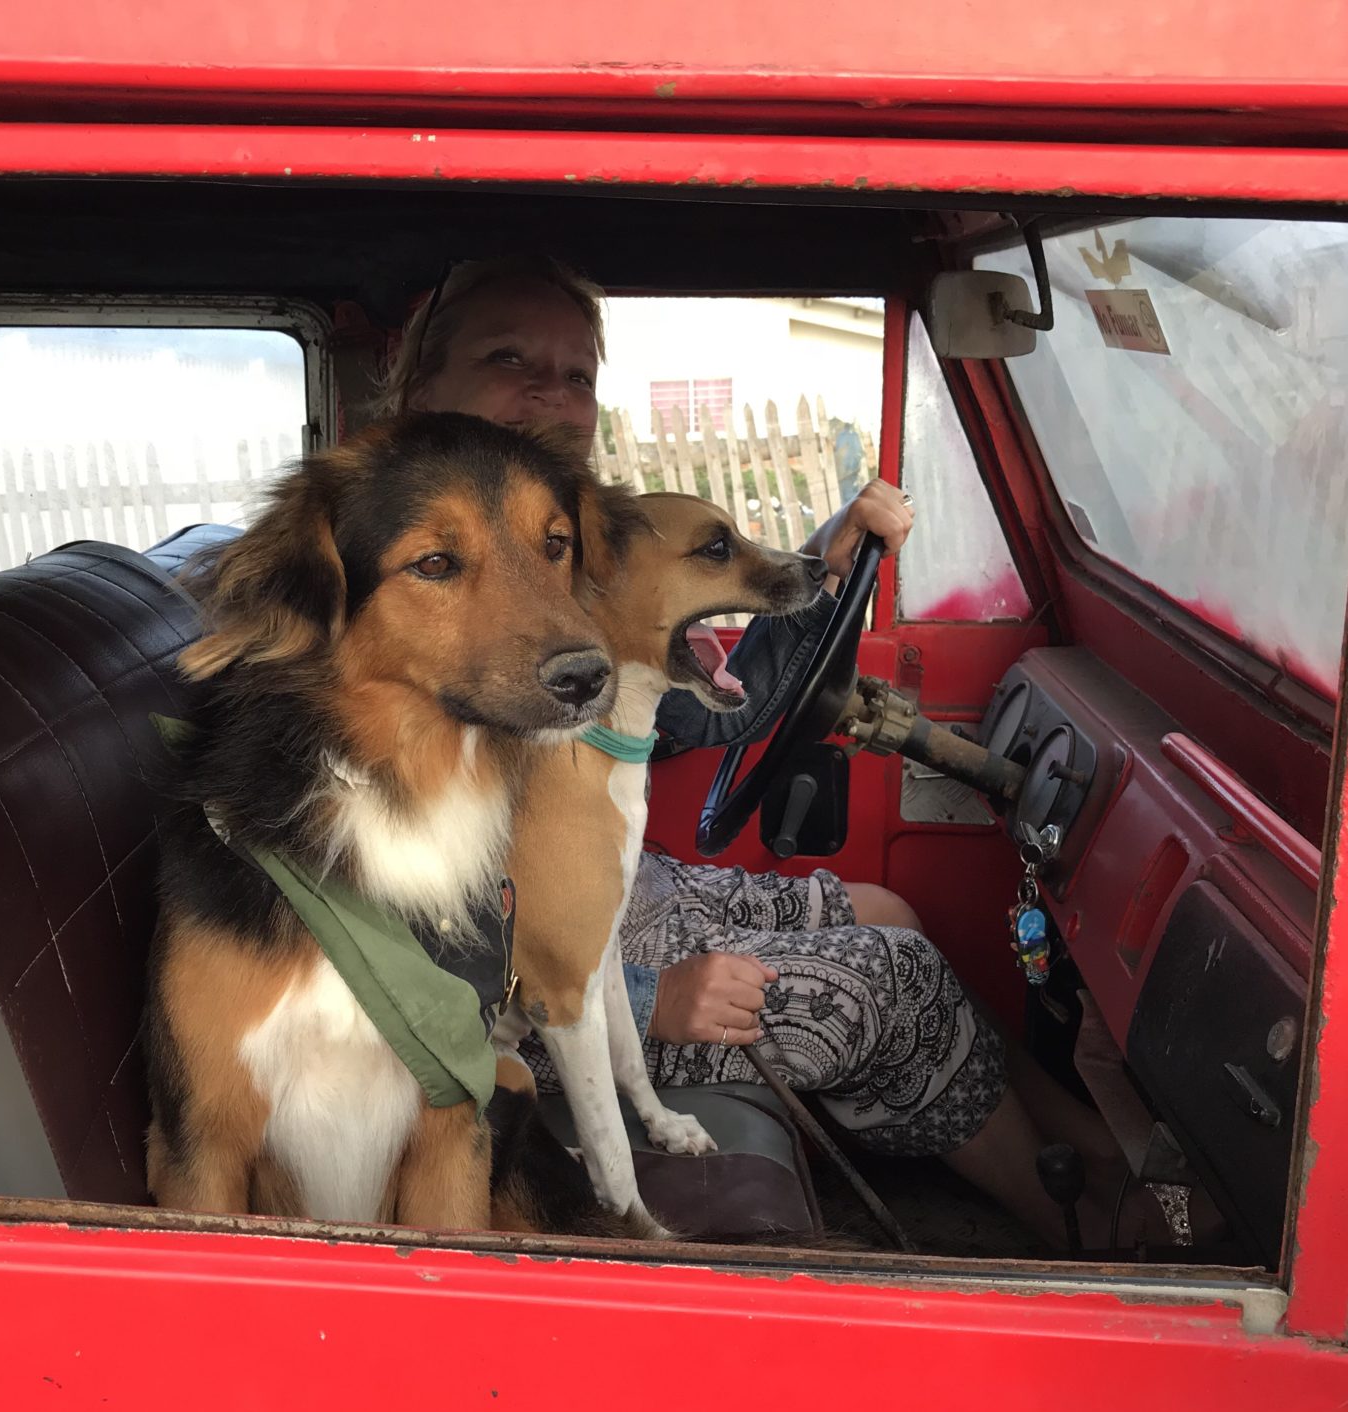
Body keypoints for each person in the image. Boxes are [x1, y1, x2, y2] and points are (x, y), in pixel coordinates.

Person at [379, 254, 1136, 1251]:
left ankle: (1078, 1142)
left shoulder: (562, 552)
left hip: (598, 896)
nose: (550, 397)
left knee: (882, 909)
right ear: (419, 382)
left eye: (575, 375)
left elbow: (695, 717)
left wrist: (817, 568)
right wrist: (651, 1002)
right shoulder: (413, 591)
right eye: (508, 358)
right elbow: (399, 910)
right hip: (502, 998)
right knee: (890, 981)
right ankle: (1099, 1237)